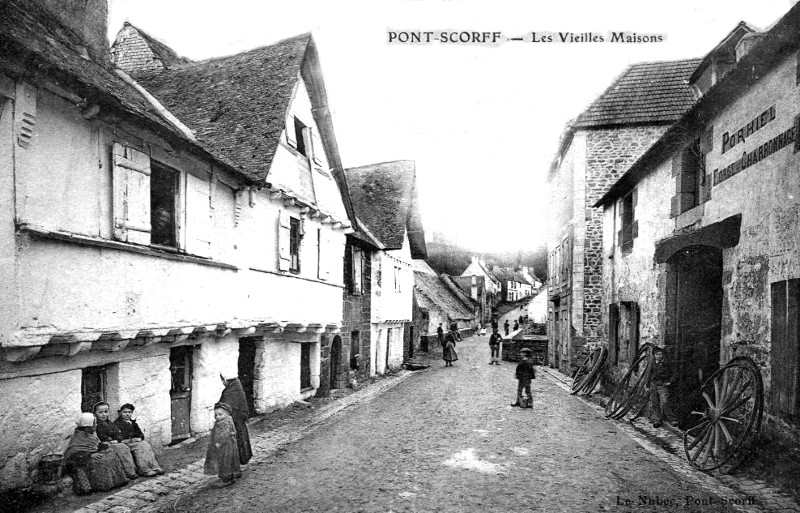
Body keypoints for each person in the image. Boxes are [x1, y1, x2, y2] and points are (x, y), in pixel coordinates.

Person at [64, 412, 129, 495]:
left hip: (90, 453)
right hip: (82, 459)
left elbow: (95, 444)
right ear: (87, 426)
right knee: (102, 461)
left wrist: (105, 446)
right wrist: (90, 455)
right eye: (94, 423)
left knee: (112, 455)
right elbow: (73, 453)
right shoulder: (79, 436)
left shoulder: (91, 433)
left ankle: (118, 481)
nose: (96, 425)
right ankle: (103, 485)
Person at [113, 403, 165, 477]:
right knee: (139, 447)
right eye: (125, 412)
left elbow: (140, 434)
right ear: (120, 413)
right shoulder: (117, 424)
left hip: (135, 442)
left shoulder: (133, 423)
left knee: (145, 445)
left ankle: (155, 467)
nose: (127, 414)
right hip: (126, 443)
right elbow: (119, 437)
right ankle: (144, 470)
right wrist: (130, 439)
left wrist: (139, 438)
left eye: (129, 412)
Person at [93, 402, 138, 480]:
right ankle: (129, 472)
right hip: (103, 445)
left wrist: (117, 439)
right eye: (100, 412)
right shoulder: (95, 424)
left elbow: (118, 433)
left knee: (123, 447)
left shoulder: (110, 423)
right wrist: (109, 440)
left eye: (106, 412)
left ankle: (133, 470)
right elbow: (99, 436)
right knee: (122, 448)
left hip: (114, 443)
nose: (104, 414)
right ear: (94, 413)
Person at [204, 402, 241, 487]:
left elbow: (224, 435)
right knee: (231, 460)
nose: (217, 417)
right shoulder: (228, 419)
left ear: (227, 413)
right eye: (216, 415)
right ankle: (233, 473)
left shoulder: (223, 424)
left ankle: (226, 478)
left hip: (224, 446)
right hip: (230, 444)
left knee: (224, 461)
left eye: (220, 414)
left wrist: (218, 443)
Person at [219, 374, 253, 464]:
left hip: (234, 421)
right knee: (241, 438)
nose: (223, 383)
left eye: (223, 381)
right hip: (238, 420)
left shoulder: (230, 391)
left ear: (226, 380)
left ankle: (235, 461)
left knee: (235, 440)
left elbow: (226, 405)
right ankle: (243, 458)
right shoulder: (237, 386)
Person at [650, 348, 675, 428]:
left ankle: (672, 419)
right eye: (657, 354)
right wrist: (647, 385)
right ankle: (658, 420)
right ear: (654, 355)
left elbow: (674, 374)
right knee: (655, 403)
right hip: (653, 385)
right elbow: (648, 374)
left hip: (662, 385)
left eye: (660, 354)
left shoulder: (667, 364)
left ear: (663, 355)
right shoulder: (653, 364)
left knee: (664, 402)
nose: (658, 356)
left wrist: (670, 381)